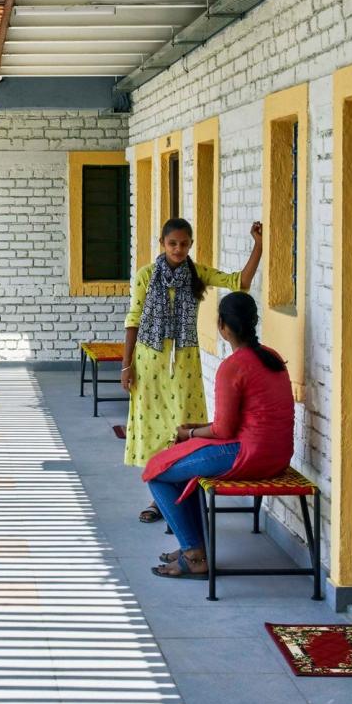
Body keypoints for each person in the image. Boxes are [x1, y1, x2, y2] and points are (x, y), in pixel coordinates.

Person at [143, 291, 295, 579]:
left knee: (157, 471)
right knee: (181, 467)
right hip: (277, 455)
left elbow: (224, 430)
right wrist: (198, 429)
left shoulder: (233, 366)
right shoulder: (271, 358)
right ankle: (193, 544)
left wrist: (189, 434)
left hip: (247, 455)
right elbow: (243, 420)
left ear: (222, 326)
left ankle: (194, 554)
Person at [121, 218, 263, 523]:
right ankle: (157, 498)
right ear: (162, 243)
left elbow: (240, 282)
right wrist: (126, 365)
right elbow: (133, 319)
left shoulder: (197, 274)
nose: (178, 249)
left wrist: (259, 245)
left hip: (184, 361)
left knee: (183, 425)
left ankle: (180, 494)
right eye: (172, 243)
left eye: (184, 244)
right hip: (149, 361)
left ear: (191, 244)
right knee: (153, 428)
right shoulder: (146, 276)